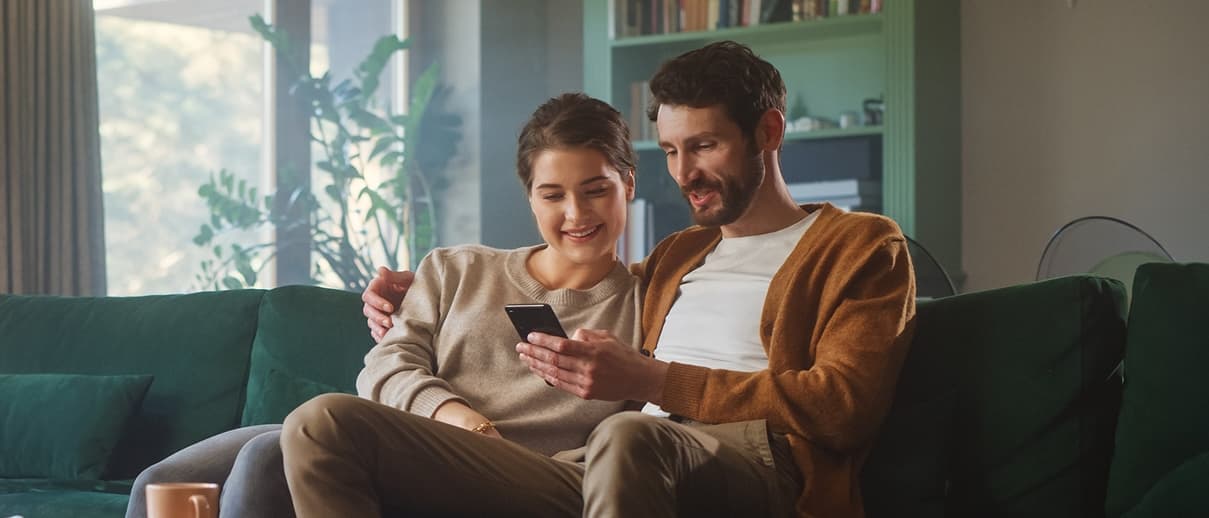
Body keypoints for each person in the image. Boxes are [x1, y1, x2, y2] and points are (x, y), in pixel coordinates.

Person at [321, 41, 916, 517]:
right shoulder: (678, 255)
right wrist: (417, 290)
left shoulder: (860, 246)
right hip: (614, 459)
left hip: (756, 461)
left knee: (628, 435)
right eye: (672, 151)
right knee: (326, 422)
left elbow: (843, 406)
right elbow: (590, 276)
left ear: (768, 132)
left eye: (704, 146)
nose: (686, 174)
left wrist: (655, 378)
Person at [126, 92, 642, 518]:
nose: (576, 213)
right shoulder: (455, 268)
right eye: (552, 195)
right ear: (530, 198)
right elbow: (385, 366)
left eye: (595, 190)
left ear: (628, 186)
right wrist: (463, 422)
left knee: (268, 457)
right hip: (400, 435)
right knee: (160, 483)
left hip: (522, 474)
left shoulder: (651, 302)